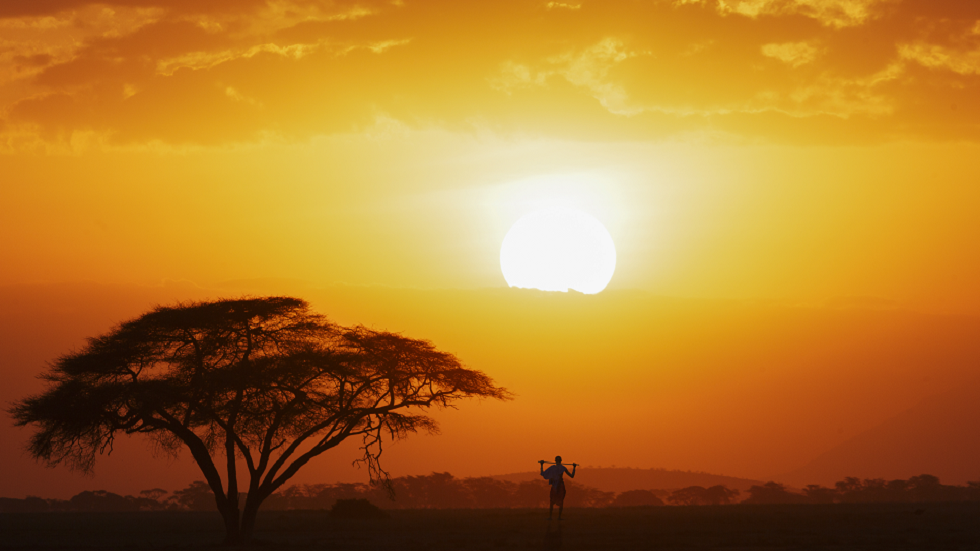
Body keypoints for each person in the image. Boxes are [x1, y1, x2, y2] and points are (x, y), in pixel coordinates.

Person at [539, 456, 576, 520]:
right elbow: (572, 476)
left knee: (553, 501)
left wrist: (541, 465)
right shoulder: (561, 468)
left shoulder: (556, 468)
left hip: (557, 486)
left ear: (555, 461)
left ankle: (553, 517)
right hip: (558, 486)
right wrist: (574, 467)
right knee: (558, 501)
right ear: (561, 461)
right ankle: (558, 517)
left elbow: (543, 473)